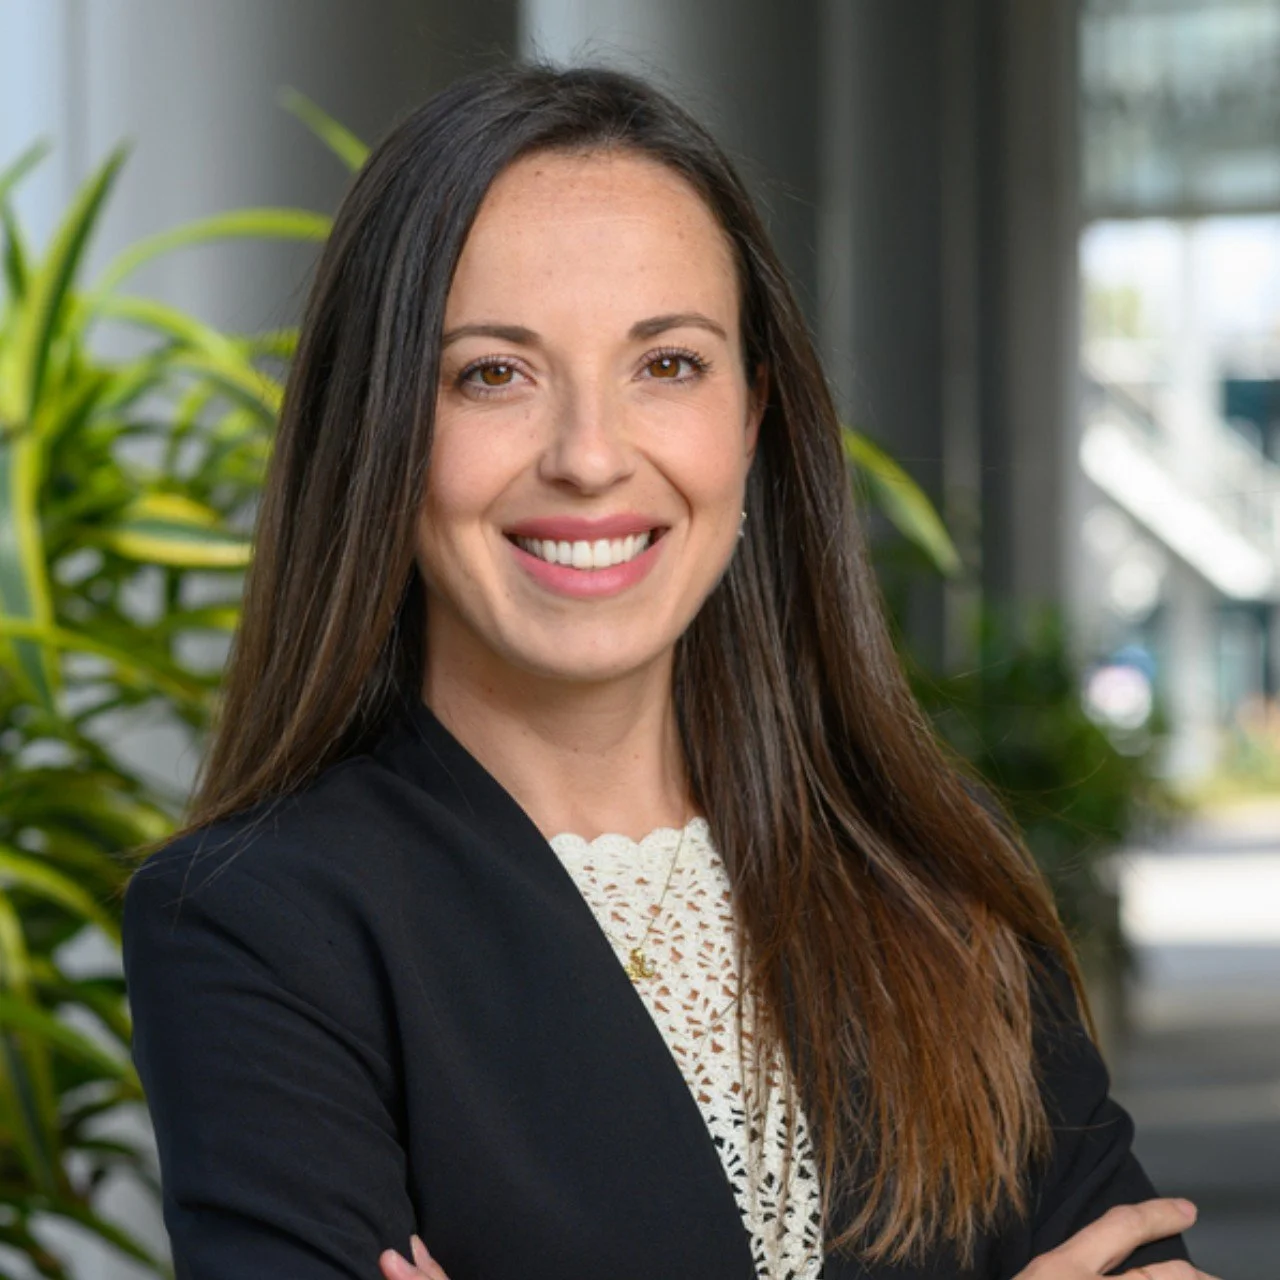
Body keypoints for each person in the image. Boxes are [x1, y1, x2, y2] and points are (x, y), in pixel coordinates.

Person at [121, 62, 1209, 1280]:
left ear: (752, 418)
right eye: (492, 372)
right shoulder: (258, 920)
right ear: (380, 428)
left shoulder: (933, 888)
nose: (589, 456)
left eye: (668, 363)